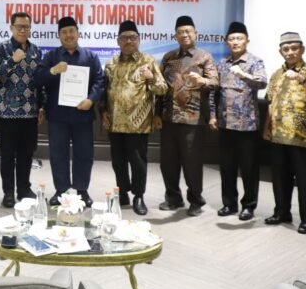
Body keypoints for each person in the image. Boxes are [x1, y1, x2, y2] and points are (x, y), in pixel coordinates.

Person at [36, 16, 105, 208]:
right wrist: (52, 71)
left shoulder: (90, 57)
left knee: (84, 153)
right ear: (59, 36)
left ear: (77, 33)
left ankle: (82, 190)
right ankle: (62, 190)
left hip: (83, 114)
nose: (68, 35)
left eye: (71, 31)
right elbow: (38, 79)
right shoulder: (51, 57)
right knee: (58, 153)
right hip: (57, 115)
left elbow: (100, 81)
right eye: (64, 32)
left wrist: (91, 99)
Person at [101, 20, 167, 215]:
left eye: (132, 37)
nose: (128, 41)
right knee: (118, 162)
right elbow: (104, 91)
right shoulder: (111, 63)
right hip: (115, 122)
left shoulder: (148, 61)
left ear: (139, 39)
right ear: (118, 41)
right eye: (124, 38)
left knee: (138, 163)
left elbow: (162, 89)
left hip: (138, 123)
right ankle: (122, 193)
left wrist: (151, 77)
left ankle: (139, 196)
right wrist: (103, 112)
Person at [264, 32, 306, 234]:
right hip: (278, 135)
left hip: (302, 135)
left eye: (294, 48)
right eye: (286, 49)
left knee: (305, 179)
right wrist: (266, 127)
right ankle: (282, 212)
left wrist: (301, 79)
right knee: (280, 177)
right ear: (280, 51)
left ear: (302, 49)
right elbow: (270, 102)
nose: (290, 52)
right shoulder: (276, 74)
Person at [156, 15, 218, 216]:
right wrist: (157, 114)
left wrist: (203, 81)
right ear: (175, 35)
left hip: (193, 118)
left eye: (188, 31)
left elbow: (215, 82)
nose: (184, 35)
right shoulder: (168, 57)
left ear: (195, 34)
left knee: (192, 163)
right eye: (180, 32)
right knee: (168, 163)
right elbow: (160, 88)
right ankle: (173, 198)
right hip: (169, 118)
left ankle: (196, 200)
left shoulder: (204, 57)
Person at [209, 21, 267, 221]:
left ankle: (249, 206)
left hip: (247, 125)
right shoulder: (222, 64)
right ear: (227, 42)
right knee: (227, 167)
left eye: (239, 38)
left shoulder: (255, 62)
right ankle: (229, 203)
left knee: (249, 169)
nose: (235, 42)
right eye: (232, 39)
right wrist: (212, 115)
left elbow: (262, 83)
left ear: (247, 41)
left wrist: (243, 74)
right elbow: (214, 93)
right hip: (225, 124)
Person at [0, 12, 44, 208]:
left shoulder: (36, 50)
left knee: (27, 153)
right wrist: (12, 60)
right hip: (7, 111)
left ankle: (23, 189)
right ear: (11, 27)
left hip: (30, 110)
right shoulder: (2, 48)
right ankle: (8, 192)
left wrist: (42, 105)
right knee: (8, 153)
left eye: (26, 27)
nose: (23, 30)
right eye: (19, 26)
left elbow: (39, 81)